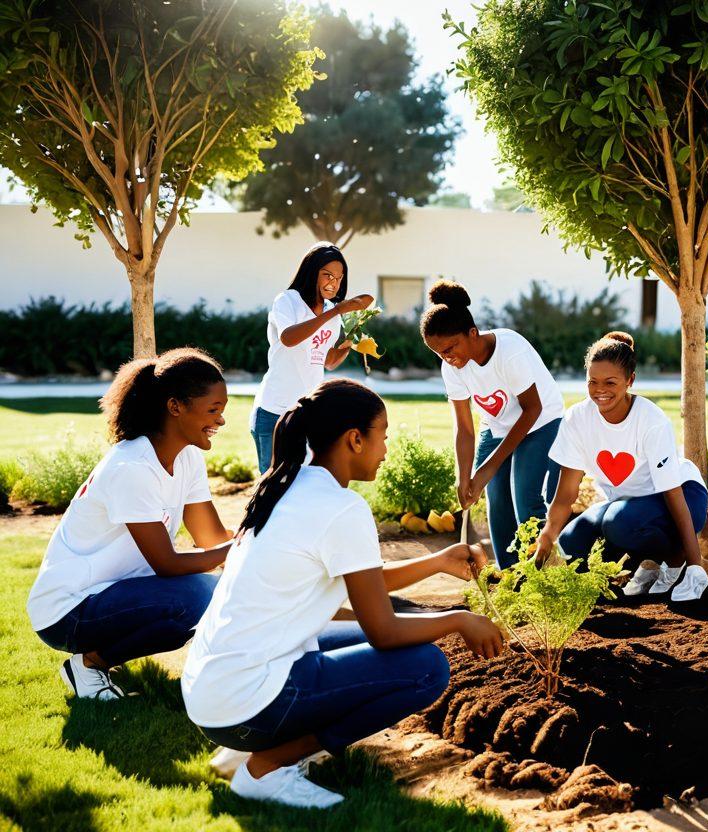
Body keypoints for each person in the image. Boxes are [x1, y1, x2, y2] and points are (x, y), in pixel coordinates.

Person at [182, 379, 504, 809]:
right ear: (355, 439)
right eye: (382, 436)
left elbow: (365, 578)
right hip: (246, 702)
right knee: (426, 667)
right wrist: (459, 620)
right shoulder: (340, 507)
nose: (386, 449)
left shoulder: (285, 486)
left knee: (363, 640)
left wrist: (437, 561)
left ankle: (243, 749)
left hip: (213, 692)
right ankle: (268, 766)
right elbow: (384, 631)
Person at [28, 348, 232, 701]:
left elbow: (211, 538)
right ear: (175, 407)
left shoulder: (187, 457)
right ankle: (88, 665)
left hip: (112, 593)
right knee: (199, 595)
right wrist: (238, 551)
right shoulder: (132, 468)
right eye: (213, 410)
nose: (221, 421)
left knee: (214, 592)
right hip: (67, 609)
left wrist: (260, 544)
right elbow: (167, 564)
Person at [535, 332, 708, 602]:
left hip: (684, 497)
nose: (599, 390)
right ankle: (649, 565)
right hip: (630, 506)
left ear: (630, 381)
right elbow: (566, 493)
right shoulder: (577, 419)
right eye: (592, 382)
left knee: (618, 522)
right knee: (571, 542)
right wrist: (547, 536)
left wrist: (695, 563)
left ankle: (675, 560)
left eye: (610, 382)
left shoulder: (650, 420)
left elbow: (672, 492)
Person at [421, 280, 565, 567]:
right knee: (496, 501)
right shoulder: (452, 367)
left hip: (540, 421)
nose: (447, 358)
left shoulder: (508, 350)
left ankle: (548, 576)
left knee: (525, 500)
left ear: (472, 333)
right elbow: (464, 425)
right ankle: (512, 576)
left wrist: (488, 467)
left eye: (451, 347)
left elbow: (532, 409)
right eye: (439, 353)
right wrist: (465, 476)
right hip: (498, 426)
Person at [249, 242, 374, 473]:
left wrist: (351, 339)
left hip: (308, 414)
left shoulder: (331, 312)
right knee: (271, 486)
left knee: (301, 484)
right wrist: (335, 311)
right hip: (274, 411)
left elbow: (329, 360)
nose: (333, 283)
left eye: (338, 278)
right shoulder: (287, 300)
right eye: (327, 275)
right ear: (311, 272)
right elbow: (288, 338)